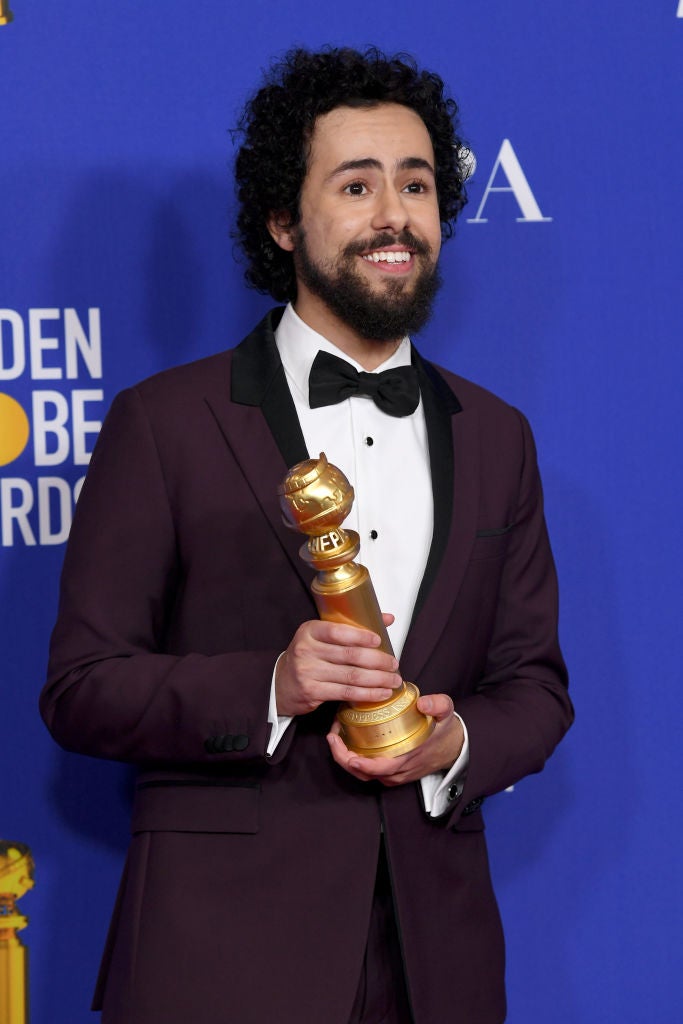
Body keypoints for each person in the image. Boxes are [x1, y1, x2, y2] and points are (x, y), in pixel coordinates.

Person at [40, 46, 573, 1024]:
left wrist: (451, 740)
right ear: (282, 221)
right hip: (217, 965)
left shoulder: (496, 435)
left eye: (414, 184)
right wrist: (271, 687)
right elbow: (81, 687)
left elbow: (534, 685)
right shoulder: (165, 421)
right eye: (355, 184)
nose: (393, 215)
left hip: (434, 968)